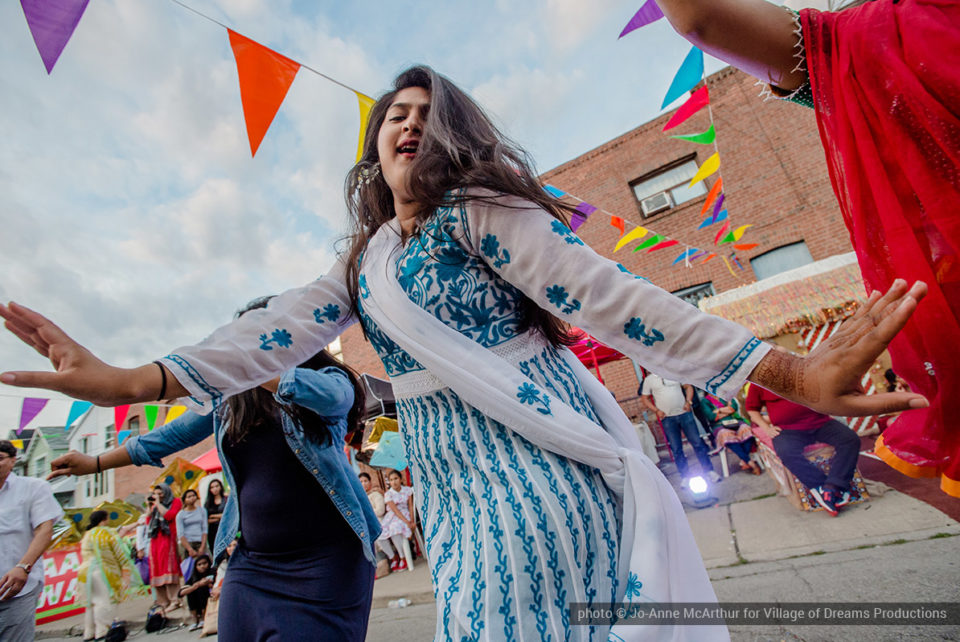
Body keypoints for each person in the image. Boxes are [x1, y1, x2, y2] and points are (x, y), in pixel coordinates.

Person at [0, 65, 928, 640]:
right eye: (393, 113)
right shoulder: (364, 261)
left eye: (425, 111)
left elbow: (618, 300)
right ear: (377, 146)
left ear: (448, 136)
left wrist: (788, 370)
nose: (406, 121)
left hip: (536, 475)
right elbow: (266, 334)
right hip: (449, 494)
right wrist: (129, 381)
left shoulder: (482, 217)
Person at [651, 0, 959, 497]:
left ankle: (833, 489)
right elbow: (702, 18)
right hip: (791, 429)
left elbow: (703, 20)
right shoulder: (888, 34)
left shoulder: (889, 35)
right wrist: (785, 379)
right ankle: (829, 491)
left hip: (831, 414)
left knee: (844, 443)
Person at [43, 300, 380, 642]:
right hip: (253, 566)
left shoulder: (325, 379)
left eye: (263, 332)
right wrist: (94, 463)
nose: (251, 342)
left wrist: (256, 367)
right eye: (246, 335)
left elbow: (336, 398)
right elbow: (164, 438)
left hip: (326, 565)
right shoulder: (230, 399)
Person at [745, 384, 861, 516]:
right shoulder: (760, 381)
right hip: (787, 429)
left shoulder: (804, 368)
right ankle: (819, 485)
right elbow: (752, 409)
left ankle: (833, 485)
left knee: (850, 439)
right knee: (786, 451)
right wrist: (766, 428)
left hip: (820, 422)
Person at [0, 439, 62, 642]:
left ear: (13, 460)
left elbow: (45, 529)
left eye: (0, 458)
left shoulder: (33, 488)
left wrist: (23, 566)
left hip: (16, 587)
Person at [78, 509, 143, 641]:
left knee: (91, 603)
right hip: (103, 571)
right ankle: (102, 632)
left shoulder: (87, 535)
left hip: (85, 573)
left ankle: (89, 632)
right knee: (104, 602)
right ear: (104, 520)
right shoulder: (107, 533)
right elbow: (119, 554)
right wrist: (125, 571)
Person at [641, 374, 720, 483]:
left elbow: (689, 387)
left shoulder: (672, 373)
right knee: (676, 449)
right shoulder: (649, 380)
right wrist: (656, 410)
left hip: (684, 414)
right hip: (667, 418)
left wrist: (689, 402)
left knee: (697, 443)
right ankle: (685, 477)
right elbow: (645, 398)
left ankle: (709, 471)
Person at [699, 393, 761, 475]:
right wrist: (727, 410)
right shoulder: (705, 401)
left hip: (735, 421)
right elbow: (711, 416)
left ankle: (744, 460)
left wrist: (719, 410)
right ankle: (750, 462)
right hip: (719, 425)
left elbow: (733, 407)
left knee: (746, 429)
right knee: (726, 434)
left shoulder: (725, 395)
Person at [147, 484, 183, 612]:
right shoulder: (154, 506)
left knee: (169, 567)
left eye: (160, 493)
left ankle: (175, 599)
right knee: (157, 570)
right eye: (155, 493)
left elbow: (169, 516)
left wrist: (158, 503)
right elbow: (148, 521)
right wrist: (149, 506)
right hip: (156, 540)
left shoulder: (176, 501)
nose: (158, 496)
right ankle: (163, 601)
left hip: (169, 538)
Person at [376, 470, 416, 573]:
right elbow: (395, 510)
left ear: (401, 479)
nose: (394, 482)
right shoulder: (388, 494)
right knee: (379, 533)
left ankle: (403, 558)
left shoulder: (407, 490)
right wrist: (406, 522)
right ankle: (393, 557)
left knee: (395, 528)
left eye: (396, 479)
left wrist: (411, 520)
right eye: (391, 480)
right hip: (393, 516)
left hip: (405, 513)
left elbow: (410, 506)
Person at [178, 554, 215, 631]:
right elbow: (180, 593)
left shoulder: (213, 572)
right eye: (199, 565)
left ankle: (203, 617)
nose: (202, 566)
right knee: (191, 591)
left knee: (201, 589)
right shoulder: (194, 576)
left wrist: (207, 584)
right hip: (198, 596)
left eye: (204, 563)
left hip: (212, 597)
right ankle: (195, 619)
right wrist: (196, 585)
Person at [175, 488, 208, 569]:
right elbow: (180, 534)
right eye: (189, 497)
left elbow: (204, 529)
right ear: (184, 500)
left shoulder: (202, 511)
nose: (192, 498)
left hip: (200, 541)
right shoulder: (181, 515)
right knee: (189, 568)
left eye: (193, 495)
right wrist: (189, 549)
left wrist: (202, 546)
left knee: (205, 564)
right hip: (187, 543)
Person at [203, 479, 227, 550]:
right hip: (213, 531)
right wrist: (220, 517)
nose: (215, 489)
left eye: (217, 486)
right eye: (212, 487)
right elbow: (206, 520)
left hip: (225, 528)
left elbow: (227, 515)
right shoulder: (208, 503)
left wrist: (213, 516)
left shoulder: (226, 500)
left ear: (220, 487)